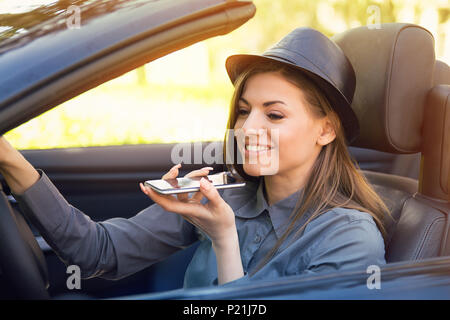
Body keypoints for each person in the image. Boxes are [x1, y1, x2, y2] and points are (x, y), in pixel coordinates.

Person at [0, 27, 390, 288]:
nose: (247, 128)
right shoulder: (226, 197)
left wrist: (224, 240)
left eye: (274, 114)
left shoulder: (350, 238)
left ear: (326, 129)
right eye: (243, 110)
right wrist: (9, 161)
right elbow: (96, 252)